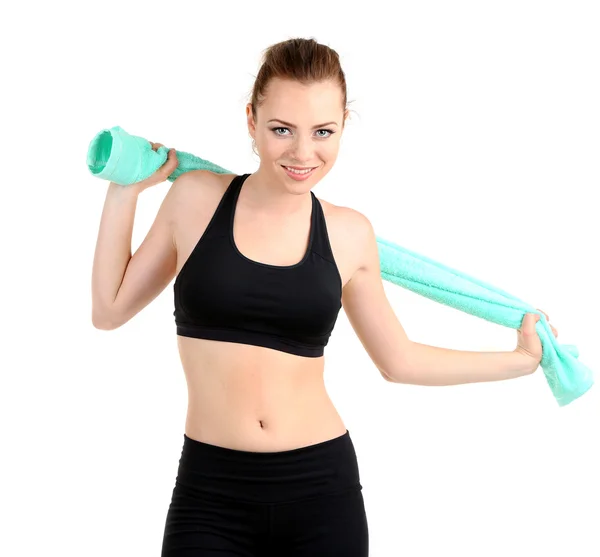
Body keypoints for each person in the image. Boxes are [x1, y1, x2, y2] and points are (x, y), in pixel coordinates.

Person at [91, 37, 558, 557]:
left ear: (342, 127)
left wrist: (519, 361)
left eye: (323, 132)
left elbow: (398, 361)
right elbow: (109, 310)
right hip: (210, 490)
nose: (302, 153)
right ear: (251, 120)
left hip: (318, 489)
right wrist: (125, 188)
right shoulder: (194, 198)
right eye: (281, 129)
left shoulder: (349, 233)